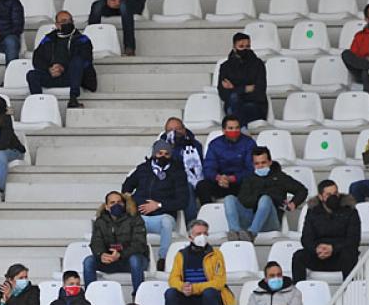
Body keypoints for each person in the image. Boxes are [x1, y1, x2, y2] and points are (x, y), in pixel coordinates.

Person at [165, 219, 234, 305]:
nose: (202, 236)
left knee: (210, 292)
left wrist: (194, 288)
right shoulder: (181, 255)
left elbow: (219, 282)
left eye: (205, 233)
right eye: (198, 234)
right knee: (170, 293)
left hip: (210, 299)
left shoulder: (216, 254)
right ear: (190, 237)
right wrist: (182, 286)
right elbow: (173, 279)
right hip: (189, 297)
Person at [123, 140, 190, 268]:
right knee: (129, 222)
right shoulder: (143, 169)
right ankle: (138, 258)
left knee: (166, 222)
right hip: (140, 216)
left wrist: (159, 205)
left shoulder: (178, 173)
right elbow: (126, 188)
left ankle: (163, 259)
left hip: (163, 216)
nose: (163, 156)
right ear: (154, 153)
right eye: (159, 153)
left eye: (166, 154)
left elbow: (183, 201)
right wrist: (133, 203)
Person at [292, 179, 362, 283]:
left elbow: (353, 239)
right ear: (320, 197)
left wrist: (333, 248)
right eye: (328, 194)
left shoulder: (350, 211)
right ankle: (299, 291)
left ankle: (349, 291)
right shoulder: (313, 211)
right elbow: (306, 238)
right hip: (318, 255)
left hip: (340, 255)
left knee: (349, 255)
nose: (333, 197)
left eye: (335, 193)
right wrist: (317, 249)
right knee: (298, 256)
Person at [84, 191, 148, 287]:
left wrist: (120, 254)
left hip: (129, 260)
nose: (116, 205)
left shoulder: (135, 219)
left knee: (135, 260)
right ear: (106, 206)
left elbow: (139, 244)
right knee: (89, 261)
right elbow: (96, 242)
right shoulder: (100, 221)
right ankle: (91, 296)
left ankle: (138, 296)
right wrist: (101, 254)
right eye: (112, 203)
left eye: (119, 202)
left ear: (124, 204)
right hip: (109, 260)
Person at [196, 114, 257, 209]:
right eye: (230, 128)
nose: (234, 131)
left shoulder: (249, 143)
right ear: (224, 130)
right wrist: (218, 178)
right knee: (202, 186)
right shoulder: (215, 144)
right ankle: (209, 214)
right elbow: (208, 168)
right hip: (220, 182)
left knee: (252, 185)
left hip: (240, 182)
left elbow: (251, 168)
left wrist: (233, 178)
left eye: (237, 128)